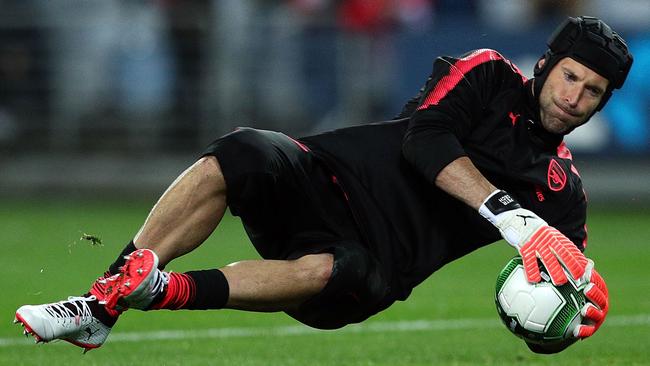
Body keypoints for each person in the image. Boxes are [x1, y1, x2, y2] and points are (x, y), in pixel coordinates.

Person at [15, 16, 632, 354]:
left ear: (602, 104)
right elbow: (427, 140)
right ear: (547, 66)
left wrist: (574, 314)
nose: (573, 97)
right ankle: (100, 306)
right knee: (240, 151)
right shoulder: (490, 74)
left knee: (331, 269)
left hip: (374, 266)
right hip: (324, 177)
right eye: (569, 77)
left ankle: (157, 290)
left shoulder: (563, 193)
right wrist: (511, 216)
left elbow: (565, 291)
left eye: (592, 92)